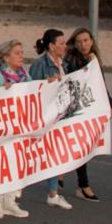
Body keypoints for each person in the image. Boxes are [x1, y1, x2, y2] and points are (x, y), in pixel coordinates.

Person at [64, 27, 112, 202]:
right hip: (77, 109)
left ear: (92, 41)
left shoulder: (94, 58)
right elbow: (78, 83)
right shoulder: (72, 60)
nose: (83, 44)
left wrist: (110, 102)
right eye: (79, 41)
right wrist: (90, 65)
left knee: (83, 145)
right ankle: (82, 184)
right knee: (80, 146)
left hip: (90, 107)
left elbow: (100, 83)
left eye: (86, 40)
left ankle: (63, 176)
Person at [0, 40, 31, 219]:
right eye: (17, 53)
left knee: (17, 164)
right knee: (0, 165)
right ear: (5, 57)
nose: (21, 56)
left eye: (21, 52)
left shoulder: (25, 75)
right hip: (1, 131)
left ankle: (10, 200)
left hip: (20, 127)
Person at [28, 28, 73, 210]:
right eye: (61, 43)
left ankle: (53, 193)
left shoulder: (64, 63)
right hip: (46, 117)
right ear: (51, 46)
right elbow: (32, 89)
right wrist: (48, 84)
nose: (65, 46)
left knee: (57, 153)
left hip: (60, 114)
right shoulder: (40, 64)